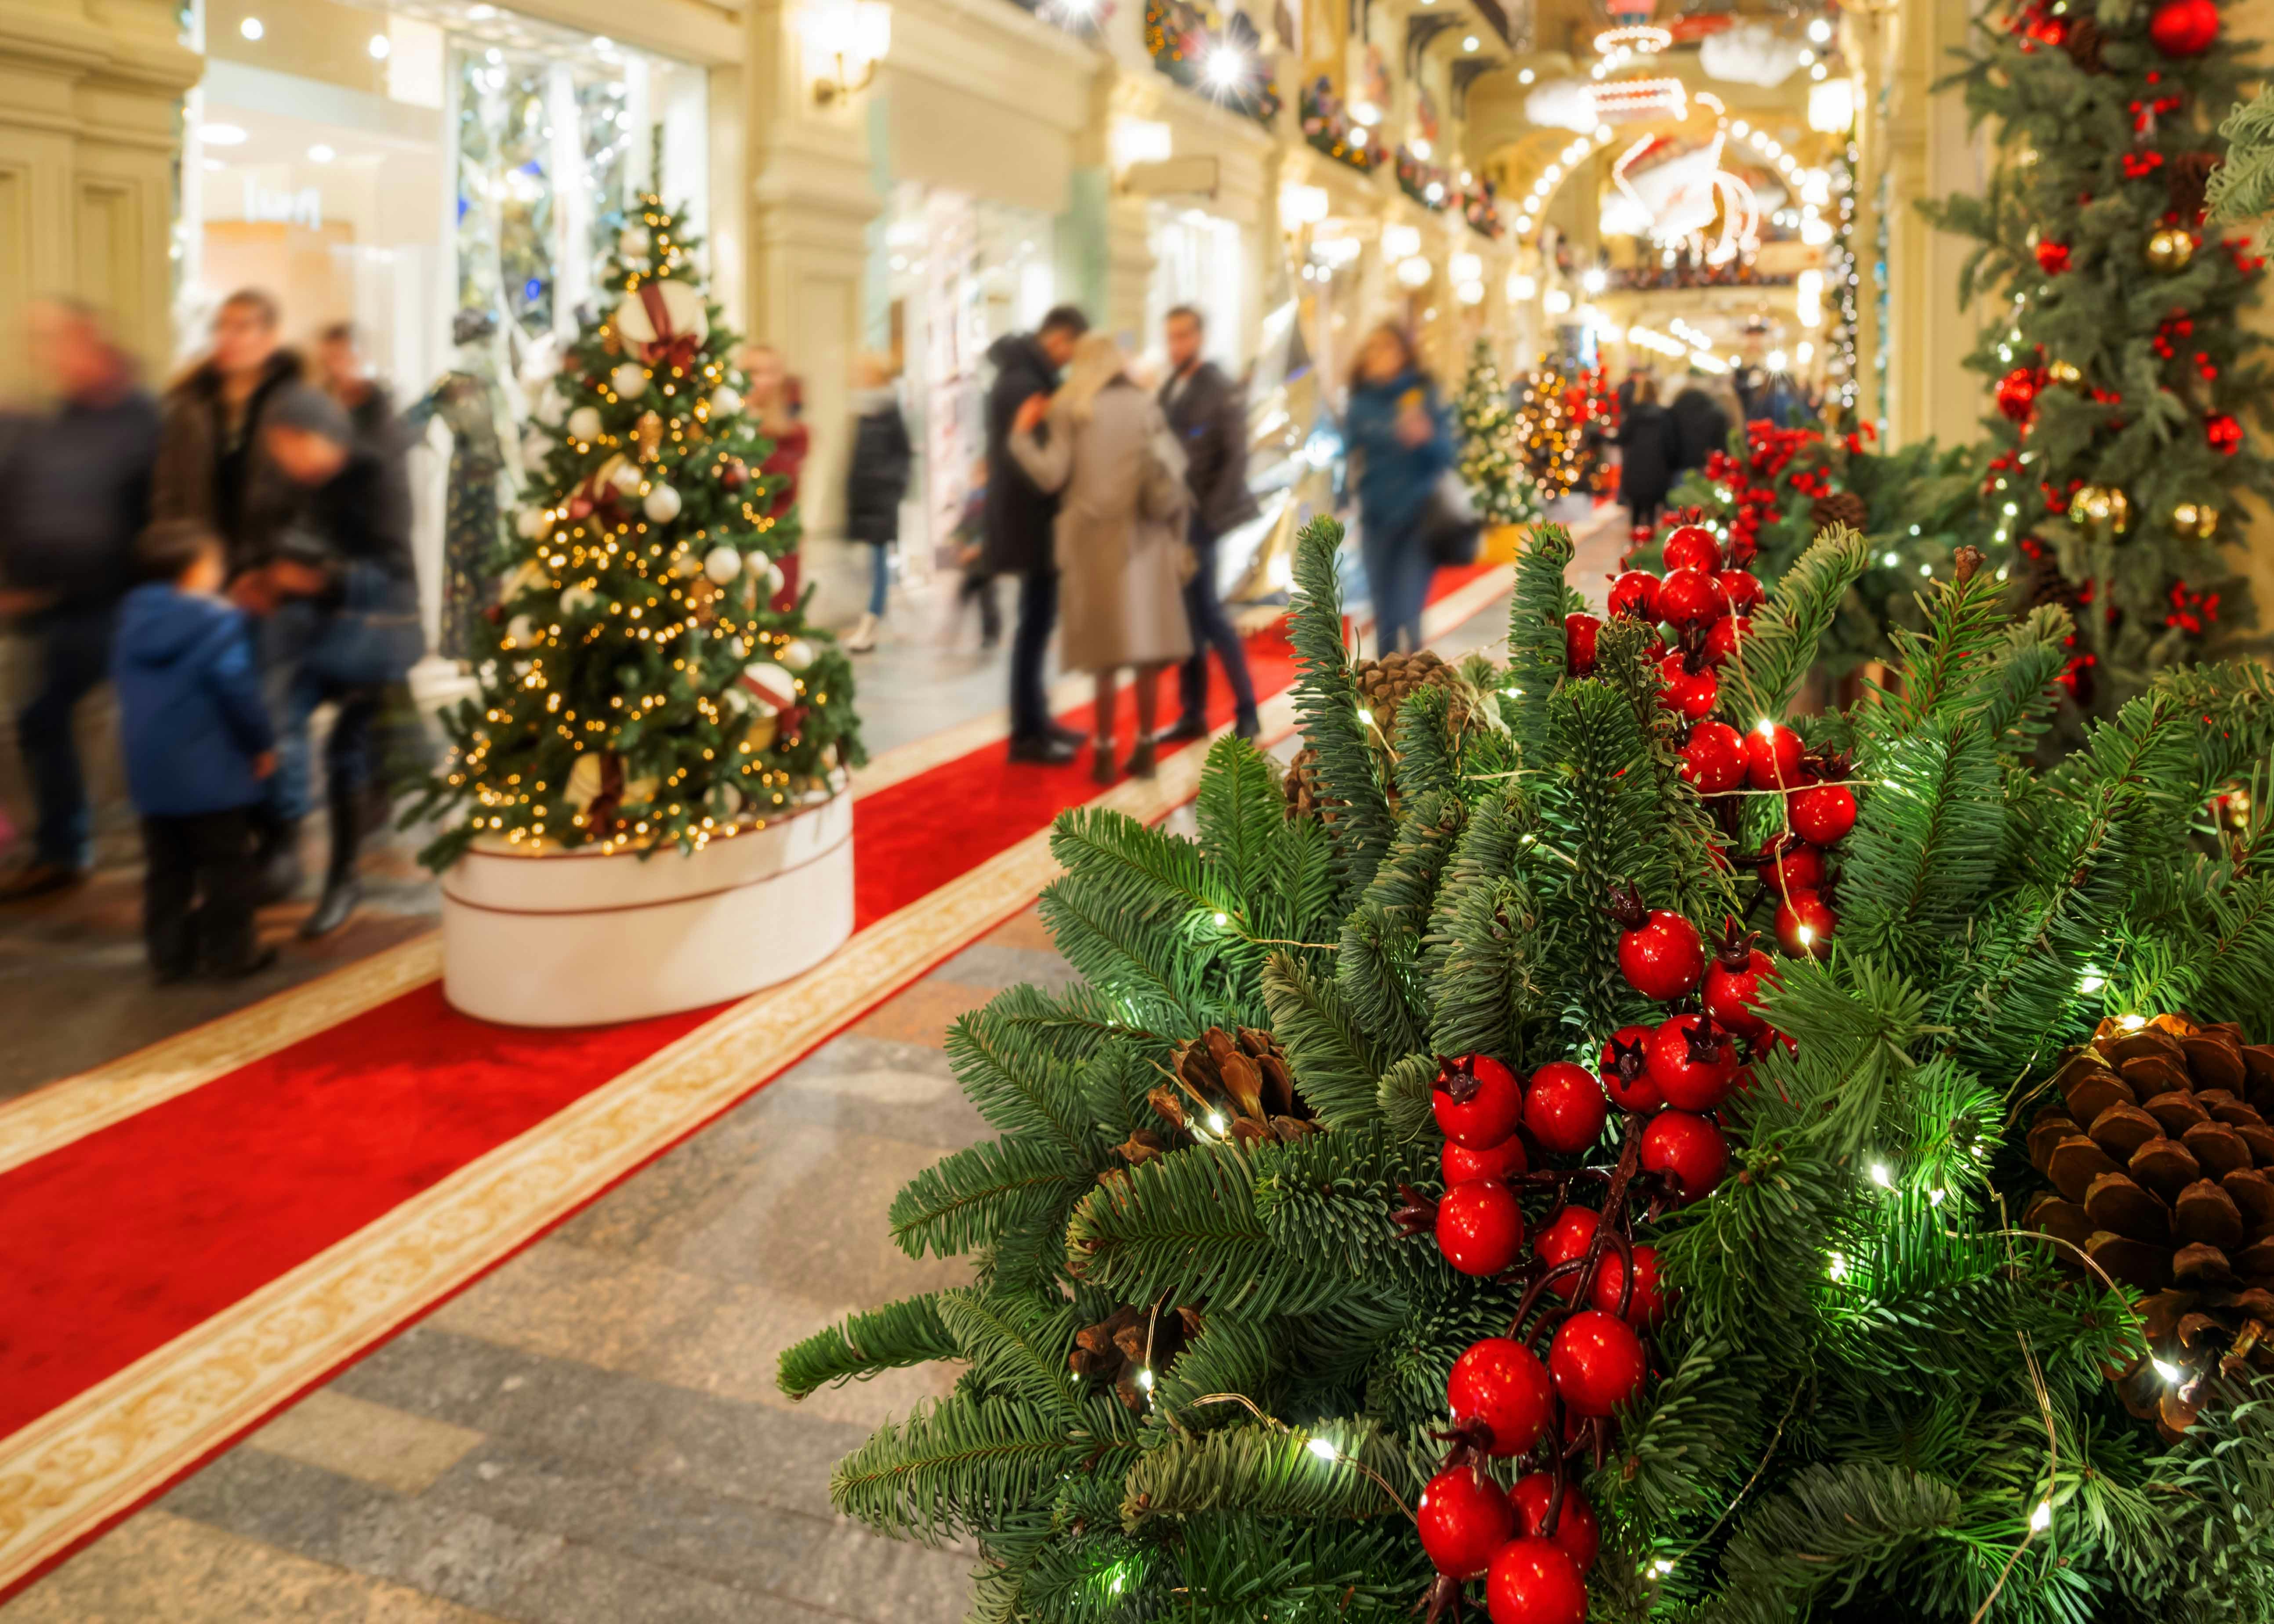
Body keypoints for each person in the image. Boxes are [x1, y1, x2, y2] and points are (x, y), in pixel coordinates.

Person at [0, 298, 163, 899]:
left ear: (88, 338)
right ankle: (65, 848)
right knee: (42, 717)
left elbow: (162, 510)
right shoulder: (51, 420)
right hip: (53, 603)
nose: (46, 354)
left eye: (55, 339)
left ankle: (178, 840)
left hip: (124, 603)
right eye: (39, 342)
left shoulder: (140, 417)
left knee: (150, 724)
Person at [259, 384, 423, 938]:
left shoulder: (377, 476)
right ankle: (280, 850)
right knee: (275, 725)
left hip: (370, 636)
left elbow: (395, 569)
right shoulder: (306, 483)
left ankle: (342, 879)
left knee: (345, 753)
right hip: (318, 629)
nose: (286, 461)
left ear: (320, 438)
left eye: (290, 447)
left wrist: (319, 577)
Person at [1008, 333, 1193, 785]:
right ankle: (1146, 748)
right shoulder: (1145, 404)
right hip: (1147, 539)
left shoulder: (1071, 408)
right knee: (1146, 652)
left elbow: (1051, 476)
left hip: (1093, 542)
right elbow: (1171, 476)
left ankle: (1105, 753)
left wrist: (1019, 436)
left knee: (1106, 655)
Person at [112, 520, 278, 981]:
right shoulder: (216, 621)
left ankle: (168, 958)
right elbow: (238, 691)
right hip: (210, 769)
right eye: (215, 564)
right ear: (194, 572)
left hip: (150, 769)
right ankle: (230, 955)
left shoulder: (129, 620)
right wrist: (261, 745)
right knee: (227, 864)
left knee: (166, 868)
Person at [986, 304, 1092, 765]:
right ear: (1058, 339)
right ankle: (1026, 737)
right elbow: (1033, 458)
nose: (1071, 360)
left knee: (1036, 626)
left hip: (1033, 521)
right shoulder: (1023, 385)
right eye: (1072, 350)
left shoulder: (1025, 378)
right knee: (1032, 630)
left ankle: (1037, 721)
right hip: (1031, 522)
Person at [1154, 306, 1260, 745]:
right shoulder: (1170, 388)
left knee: (1210, 617)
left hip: (1200, 519)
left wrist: (1209, 520)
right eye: (1171, 337)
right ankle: (1193, 713)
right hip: (1174, 518)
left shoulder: (1217, 388)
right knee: (1187, 620)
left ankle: (1248, 711)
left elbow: (1237, 458)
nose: (1176, 344)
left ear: (1199, 337)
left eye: (1183, 336)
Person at [152, 288, 304, 579]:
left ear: (271, 337)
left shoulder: (295, 407)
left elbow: (308, 498)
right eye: (221, 326)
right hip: (200, 573)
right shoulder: (188, 406)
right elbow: (167, 494)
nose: (227, 337)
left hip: (272, 576)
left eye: (242, 327)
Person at [1343, 323, 1454, 656]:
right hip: (1376, 520)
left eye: (1387, 348)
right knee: (1385, 614)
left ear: (1404, 356)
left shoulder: (1421, 397)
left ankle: (1418, 691)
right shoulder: (1360, 403)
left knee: (1409, 610)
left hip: (1416, 519)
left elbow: (1447, 456)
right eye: (1372, 349)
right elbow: (1348, 454)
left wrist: (1426, 439)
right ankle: (1386, 697)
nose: (1379, 356)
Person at [842, 352, 913, 653]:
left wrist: (889, 488)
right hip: (862, 500)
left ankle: (869, 627)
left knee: (878, 564)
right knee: (870, 567)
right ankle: (886, 616)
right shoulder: (860, 412)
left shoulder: (889, 412)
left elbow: (903, 457)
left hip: (881, 501)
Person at [314, 321, 400, 449]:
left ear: (360, 357)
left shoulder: (381, 401)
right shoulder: (320, 398)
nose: (335, 367)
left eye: (342, 357)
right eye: (329, 360)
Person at [948, 458, 1002, 649]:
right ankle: (951, 630)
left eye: (980, 475)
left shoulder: (991, 501)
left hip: (985, 559)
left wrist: (977, 548)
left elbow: (992, 530)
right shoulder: (973, 499)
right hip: (972, 562)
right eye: (974, 475)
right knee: (965, 594)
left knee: (988, 599)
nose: (976, 479)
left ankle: (992, 634)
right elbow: (964, 523)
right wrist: (958, 541)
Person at [1615, 374, 1679, 534]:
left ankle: (1634, 544)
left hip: (1635, 470)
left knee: (1635, 513)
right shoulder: (1665, 415)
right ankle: (1648, 547)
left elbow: (1622, 438)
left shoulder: (1632, 415)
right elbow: (1671, 445)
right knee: (1652, 514)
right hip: (1657, 471)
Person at [1667, 368, 1732, 477]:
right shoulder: (1716, 410)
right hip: (1704, 468)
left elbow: (1668, 439)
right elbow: (1721, 444)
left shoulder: (1675, 407)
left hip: (1679, 466)